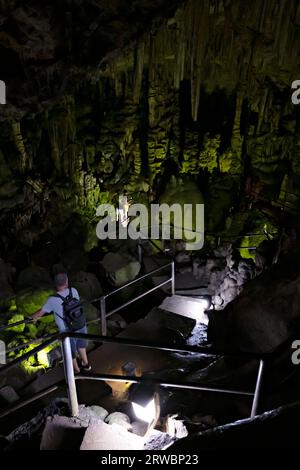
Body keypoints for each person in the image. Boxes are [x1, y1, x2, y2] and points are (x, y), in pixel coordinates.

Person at [32, 272, 91, 373]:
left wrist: (33, 317)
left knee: (70, 352)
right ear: (67, 282)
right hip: (80, 323)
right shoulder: (74, 290)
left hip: (67, 330)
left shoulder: (52, 300)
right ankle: (86, 364)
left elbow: (39, 314)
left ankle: (77, 372)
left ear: (55, 285)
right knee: (81, 345)